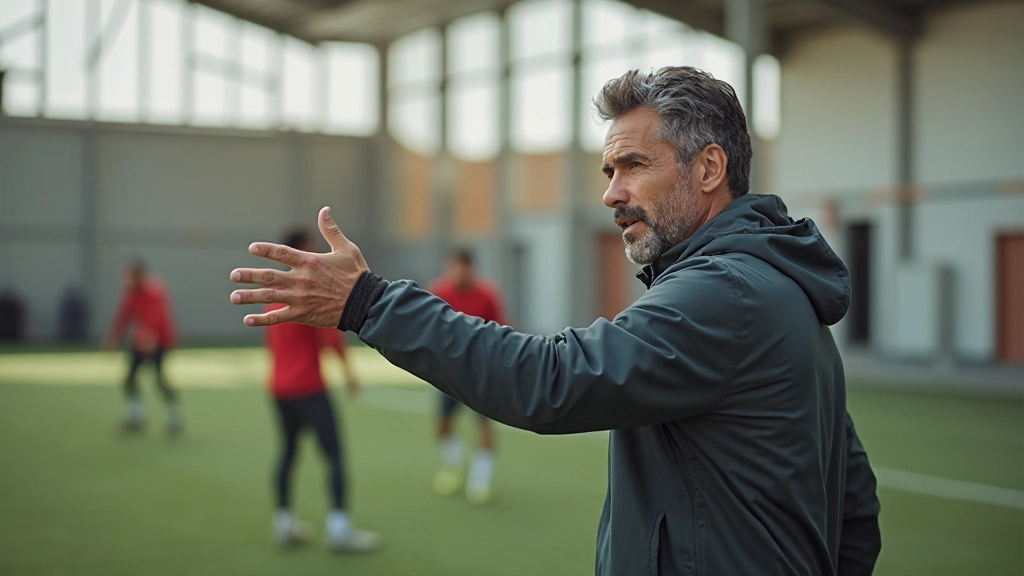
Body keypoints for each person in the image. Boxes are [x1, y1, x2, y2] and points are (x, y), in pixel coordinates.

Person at [230, 66, 882, 575]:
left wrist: (367, 303)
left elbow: (553, 380)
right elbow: (855, 501)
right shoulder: (780, 290)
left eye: (634, 165)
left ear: (709, 168)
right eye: (607, 170)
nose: (611, 193)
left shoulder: (725, 294)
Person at [263, 228, 381, 553]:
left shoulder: (274, 292)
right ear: (300, 250)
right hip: (308, 388)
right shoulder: (307, 291)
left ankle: (284, 523)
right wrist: (349, 373)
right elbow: (329, 337)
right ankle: (339, 529)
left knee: (288, 451)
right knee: (334, 455)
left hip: (279, 387)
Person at [427, 248, 507, 504]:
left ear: (471, 267)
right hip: (449, 374)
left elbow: (501, 331)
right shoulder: (438, 292)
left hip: (481, 374)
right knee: (442, 427)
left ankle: (480, 481)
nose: (457, 271)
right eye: (453, 266)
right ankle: (454, 464)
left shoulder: (487, 294)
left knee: (484, 426)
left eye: (462, 266)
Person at [105, 260, 181, 435]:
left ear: (140, 275)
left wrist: (149, 335)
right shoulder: (131, 293)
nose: (127, 280)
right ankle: (135, 418)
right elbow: (124, 316)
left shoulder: (154, 291)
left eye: (130, 276)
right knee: (129, 379)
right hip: (140, 341)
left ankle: (174, 417)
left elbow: (156, 316)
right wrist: (113, 339)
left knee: (159, 379)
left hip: (159, 342)